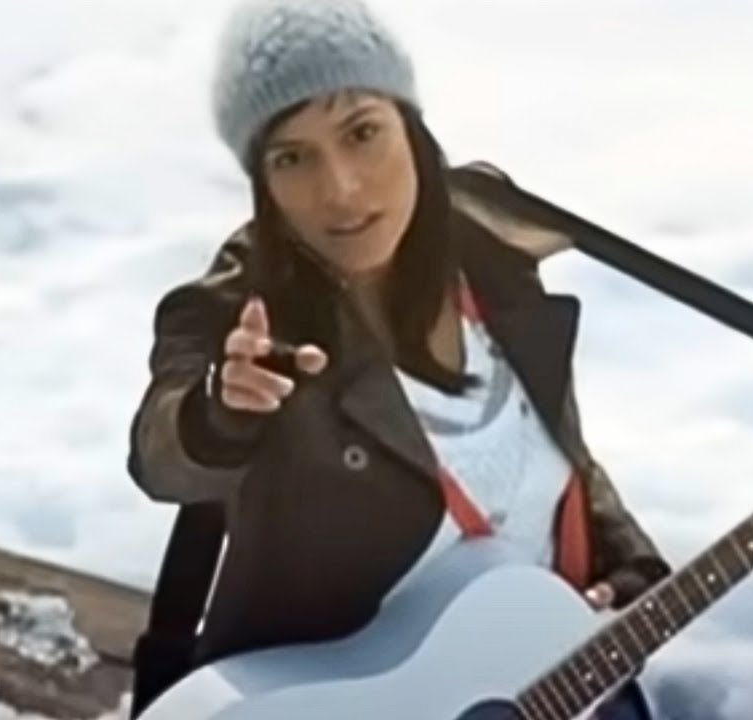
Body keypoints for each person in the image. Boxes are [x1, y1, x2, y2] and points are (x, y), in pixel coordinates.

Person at [126, 0, 670, 717]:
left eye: (362, 133)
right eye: (292, 157)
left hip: (551, 684)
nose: (341, 188)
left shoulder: (492, 262)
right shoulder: (244, 309)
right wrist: (221, 412)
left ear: (410, 126)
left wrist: (629, 566)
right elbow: (162, 455)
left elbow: (555, 453)